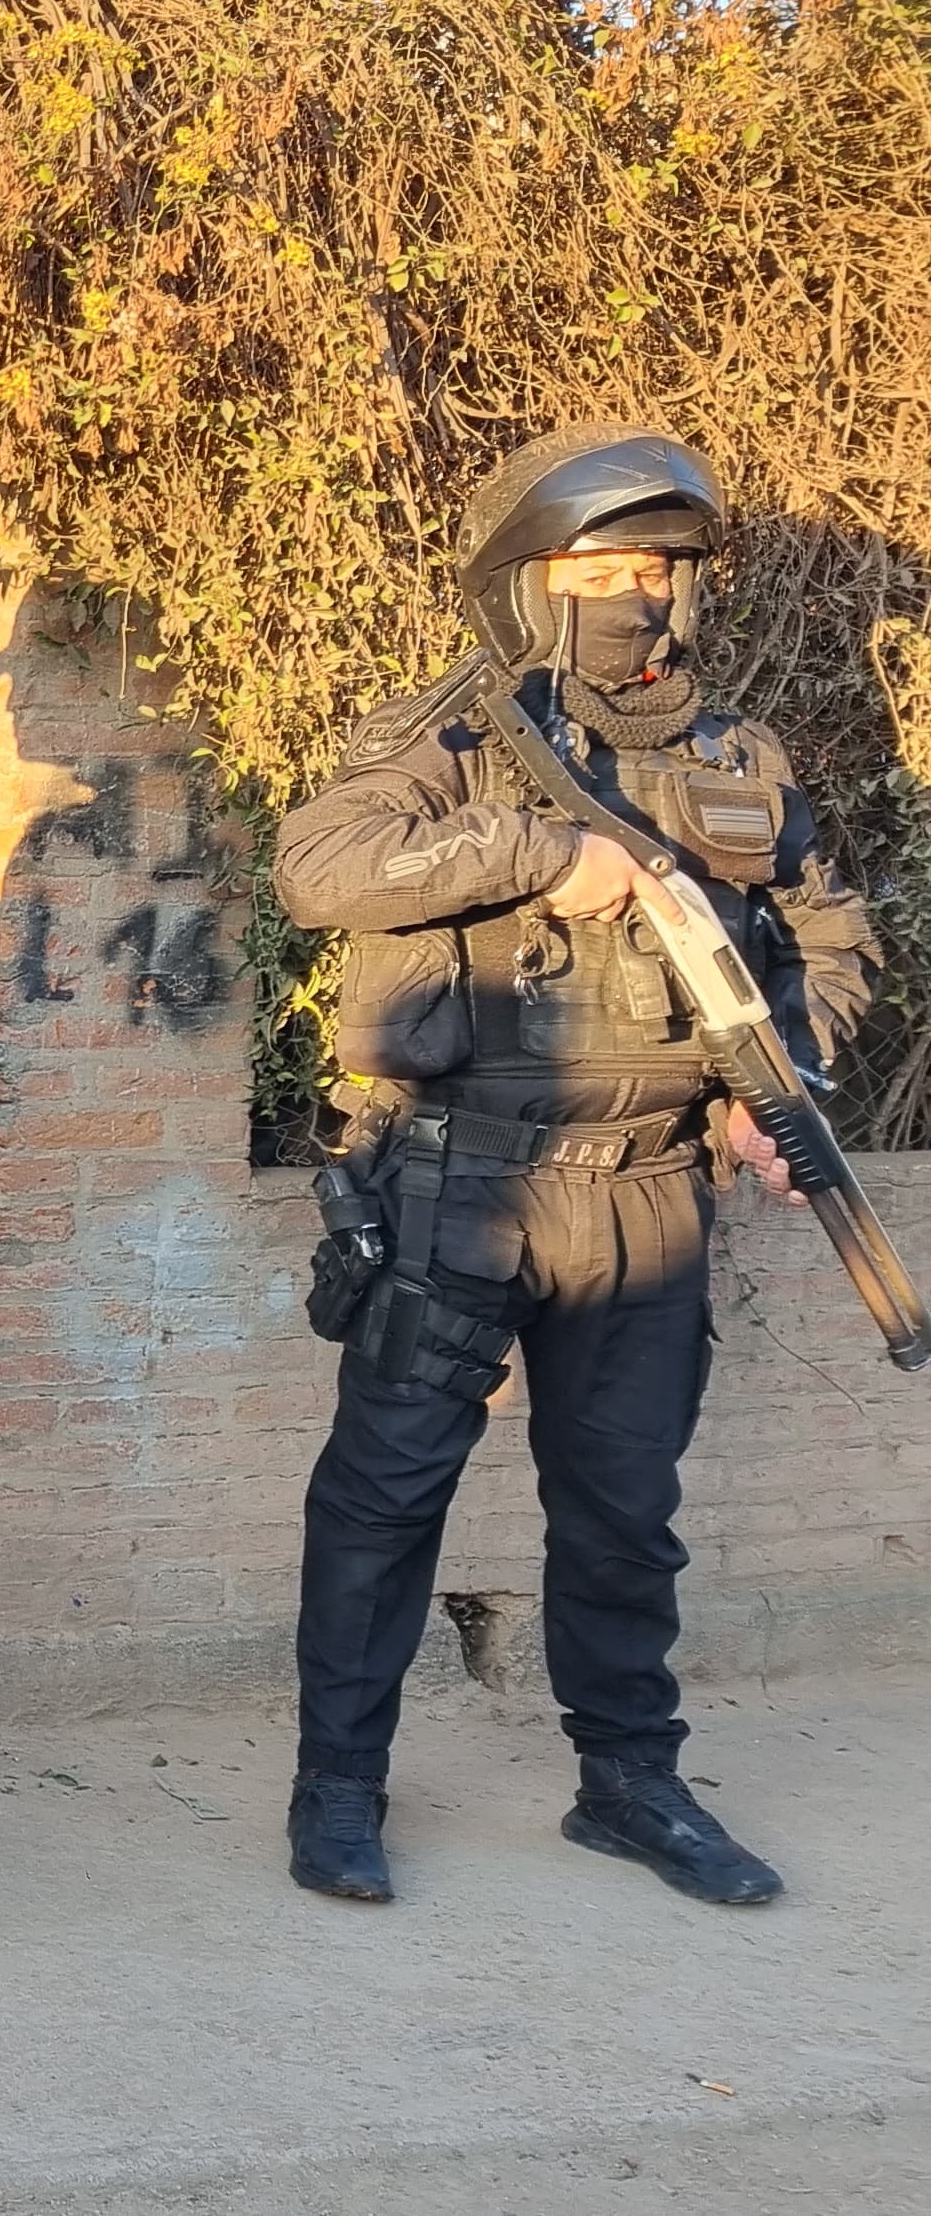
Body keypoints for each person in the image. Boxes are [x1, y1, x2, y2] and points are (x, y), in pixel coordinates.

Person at [268, 424, 878, 1909]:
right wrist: (543, 853)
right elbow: (318, 866)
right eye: (607, 569)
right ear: (534, 583)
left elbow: (830, 937)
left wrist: (773, 1090)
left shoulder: (739, 757)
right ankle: (338, 1792)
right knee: (385, 1498)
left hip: (656, 1188)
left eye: (666, 569)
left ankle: (631, 1786)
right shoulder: (456, 738)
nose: (644, 599)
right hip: (463, 1185)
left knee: (623, 1513)